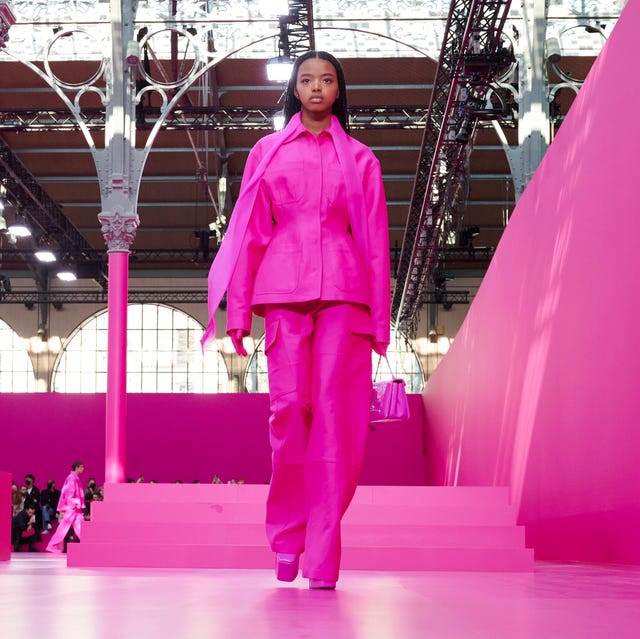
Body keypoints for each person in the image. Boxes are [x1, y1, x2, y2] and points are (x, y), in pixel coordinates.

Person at [202, 51, 390, 589]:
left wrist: (380, 321)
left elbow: (375, 243)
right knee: (288, 415)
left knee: (337, 427)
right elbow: (248, 235)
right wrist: (238, 311)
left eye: (326, 80)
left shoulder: (361, 160)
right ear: (294, 89)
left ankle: (323, 557)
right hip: (282, 294)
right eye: (306, 79)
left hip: (346, 298)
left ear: (338, 91)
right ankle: (287, 538)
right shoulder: (266, 153)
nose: (315, 88)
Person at [46, 461, 86, 554]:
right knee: (64, 527)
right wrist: (75, 504)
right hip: (72, 507)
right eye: (82, 467)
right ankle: (52, 545)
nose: (83, 468)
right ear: (76, 467)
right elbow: (68, 494)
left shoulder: (74, 478)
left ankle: (87, 542)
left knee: (80, 525)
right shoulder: (72, 478)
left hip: (75, 507)